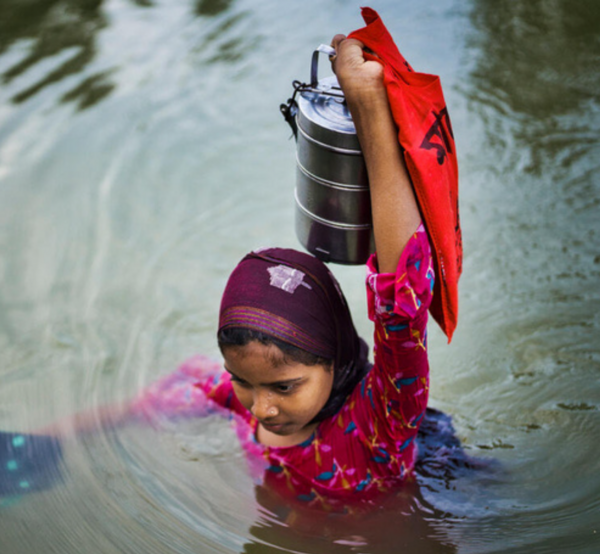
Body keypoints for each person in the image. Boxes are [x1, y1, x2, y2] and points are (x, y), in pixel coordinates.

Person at [30, 34, 435, 510]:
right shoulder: (234, 391)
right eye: (244, 381)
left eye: (284, 387)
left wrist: (368, 106)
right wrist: (53, 440)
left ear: (334, 361)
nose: (261, 408)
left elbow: (402, 308)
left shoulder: (380, 421)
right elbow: (146, 405)